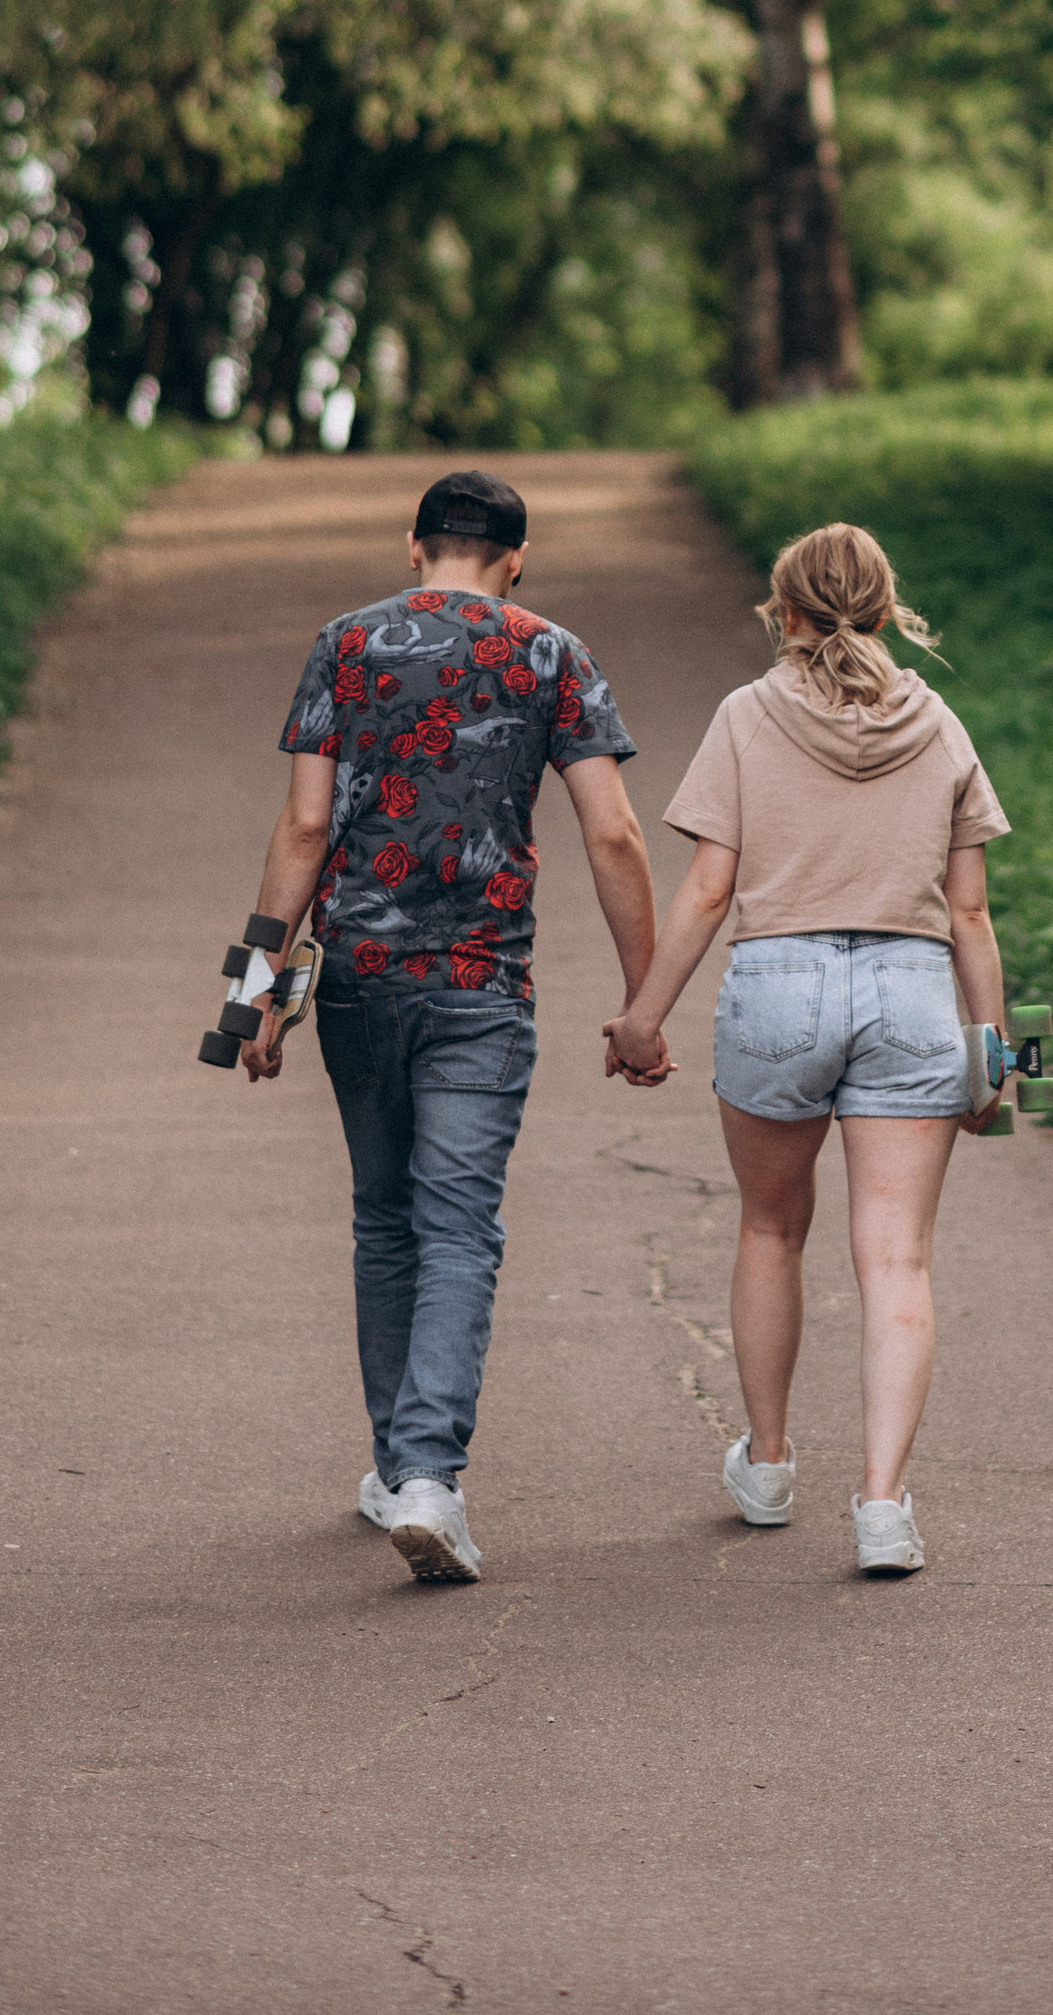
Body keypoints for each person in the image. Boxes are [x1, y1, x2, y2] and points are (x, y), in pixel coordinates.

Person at [237, 469, 657, 1587]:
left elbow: (304, 824)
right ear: (517, 557)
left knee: (386, 1222)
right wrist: (643, 1000)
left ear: (415, 545)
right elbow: (613, 835)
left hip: (359, 983)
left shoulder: (343, 644)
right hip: (481, 982)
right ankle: (428, 1478)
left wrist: (248, 999)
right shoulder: (550, 651)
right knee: (460, 1226)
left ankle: (395, 1471)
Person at [602, 521, 1010, 1577]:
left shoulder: (747, 716)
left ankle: (770, 1465)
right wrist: (998, 1066)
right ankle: (882, 1505)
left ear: (784, 614)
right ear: (884, 610)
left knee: (770, 1229)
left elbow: (705, 889)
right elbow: (970, 918)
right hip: (915, 993)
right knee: (896, 1258)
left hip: (778, 986)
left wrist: (643, 1015)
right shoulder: (940, 725)